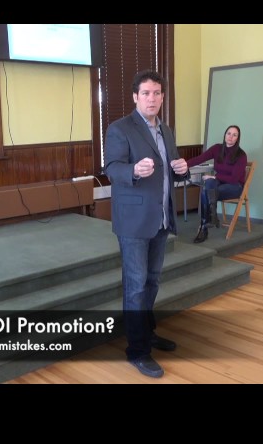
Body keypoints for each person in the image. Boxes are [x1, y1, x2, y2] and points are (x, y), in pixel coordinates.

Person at [104, 70, 189, 378]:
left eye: (156, 93)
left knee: (152, 282)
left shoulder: (166, 130)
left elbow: (170, 170)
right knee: (136, 286)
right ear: (135, 97)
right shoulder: (120, 128)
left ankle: (147, 332)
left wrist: (182, 168)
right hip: (134, 222)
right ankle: (137, 350)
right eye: (146, 93)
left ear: (162, 97)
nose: (151, 98)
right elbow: (112, 168)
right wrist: (134, 171)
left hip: (160, 218)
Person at [187, 125, 247, 243]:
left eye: (234, 135)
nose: (230, 137)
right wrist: (184, 165)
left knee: (206, 191)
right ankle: (212, 218)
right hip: (218, 184)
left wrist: (215, 177)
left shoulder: (241, 155)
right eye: (229, 133)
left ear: (237, 138)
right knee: (209, 185)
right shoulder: (217, 148)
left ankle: (204, 228)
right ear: (225, 135)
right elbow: (200, 158)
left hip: (235, 187)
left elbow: (234, 179)